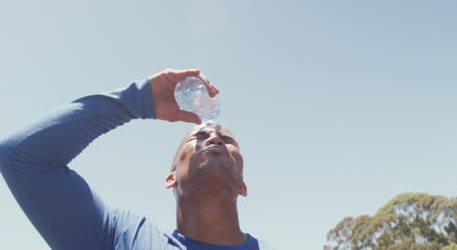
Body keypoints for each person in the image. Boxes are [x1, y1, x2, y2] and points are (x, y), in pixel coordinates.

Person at [0, 69, 275, 250]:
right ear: (171, 179)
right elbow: (21, 157)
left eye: (228, 141)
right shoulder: (122, 238)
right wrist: (138, 100)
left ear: (243, 186)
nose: (214, 139)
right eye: (197, 138)